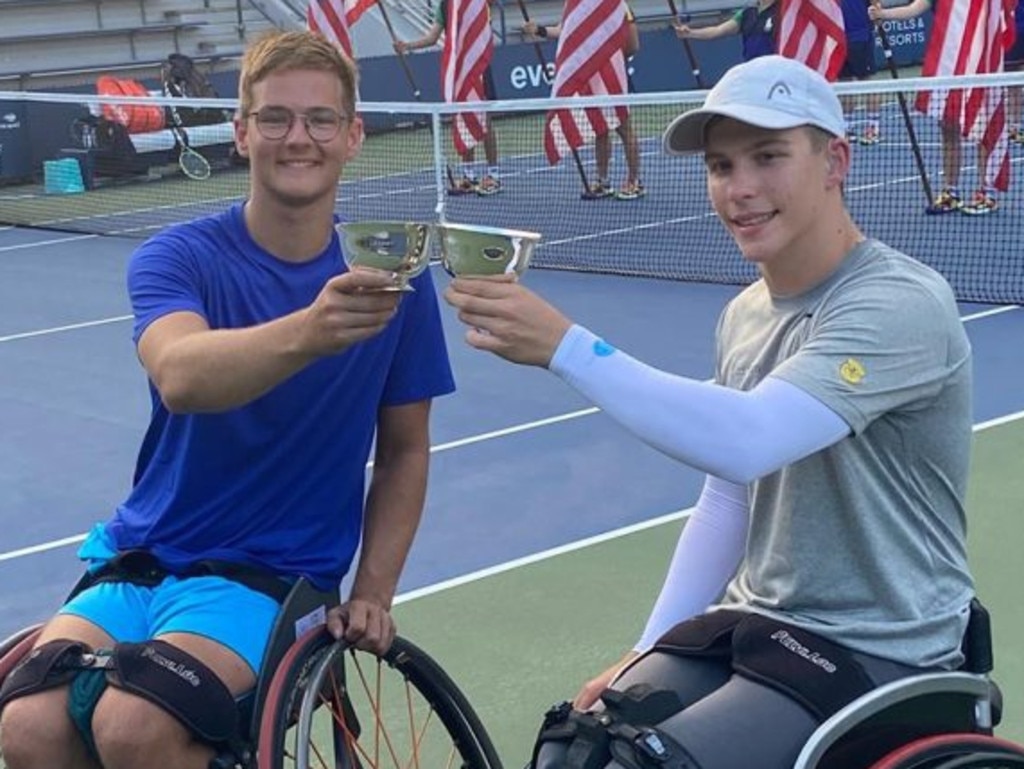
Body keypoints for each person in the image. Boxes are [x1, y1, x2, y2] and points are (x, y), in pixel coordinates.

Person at [445, 55, 973, 769]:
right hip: (759, 621)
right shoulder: (744, 315)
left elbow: (749, 441)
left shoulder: (898, 304)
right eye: (722, 166)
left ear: (835, 160)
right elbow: (728, 499)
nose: (741, 188)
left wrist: (564, 347)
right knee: (577, 746)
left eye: (768, 157)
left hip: (883, 645)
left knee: (654, 763)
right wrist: (647, 648)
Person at [0, 29, 455, 769]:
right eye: (274, 118)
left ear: (352, 136)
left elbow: (405, 447)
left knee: (135, 728)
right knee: (27, 728)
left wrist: (373, 590)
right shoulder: (175, 257)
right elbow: (181, 374)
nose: (296, 137)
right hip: (138, 557)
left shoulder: (397, 283)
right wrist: (312, 329)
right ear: (242, 134)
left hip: (270, 572)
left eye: (319, 119)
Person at [869, 0, 999, 214]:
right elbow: (915, 8)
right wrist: (884, 14)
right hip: (948, 65)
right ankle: (951, 192)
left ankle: (987, 192)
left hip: (979, 63)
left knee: (982, 129)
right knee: (948, 128)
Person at [523, 4, 645, 200]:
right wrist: (539, 30)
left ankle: (634, 181)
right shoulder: (576, 4)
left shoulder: (618, 5)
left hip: (612, 74)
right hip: (589, 72)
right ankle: (603, 181)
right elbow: (566, 31)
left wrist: (611, 57)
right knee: (600, 128)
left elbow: (633, 44)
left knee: (623, 127)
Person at [394, 0, 503, 195]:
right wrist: (407, 46)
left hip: (478, 65)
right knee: (462, 119)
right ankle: (469, 176)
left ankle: (493, 175)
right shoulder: (445, 5)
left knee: (484, 120)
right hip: (457, 69)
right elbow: (432, 37)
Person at [674, 0, 777, 62]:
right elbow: (718, 30)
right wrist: (690, 33)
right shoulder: (746, 13)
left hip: (775, 67)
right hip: (751, 68)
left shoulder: (782, 12)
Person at [839, 0, 884, 145]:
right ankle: (846, 128)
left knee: (866, 81)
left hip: (860, 35)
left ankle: (873, 127)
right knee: (844, 83)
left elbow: (875, 2)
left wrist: (878, 14)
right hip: (838, 34)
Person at [1007, 0, 1024, 144]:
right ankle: (1014, 130)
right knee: (1013, 84)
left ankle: (1015, 130)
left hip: (1016, 31)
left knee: (1014, 85)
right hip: (1011, 32)